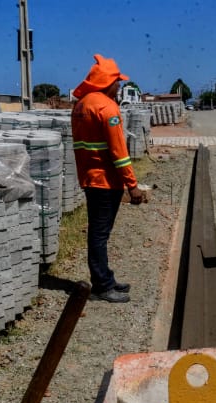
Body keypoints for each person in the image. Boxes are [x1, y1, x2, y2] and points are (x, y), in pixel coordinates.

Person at [71, 54, 143, 302]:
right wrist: (132, 185)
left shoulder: (81, 105)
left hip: (90, 178)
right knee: (100, 234)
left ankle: (106, 278)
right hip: (105, 181)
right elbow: (118, 152)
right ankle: (102, 286)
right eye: (118, 82)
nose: (120, 86)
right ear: (106, 82)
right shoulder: (107, 107)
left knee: (98, 233)